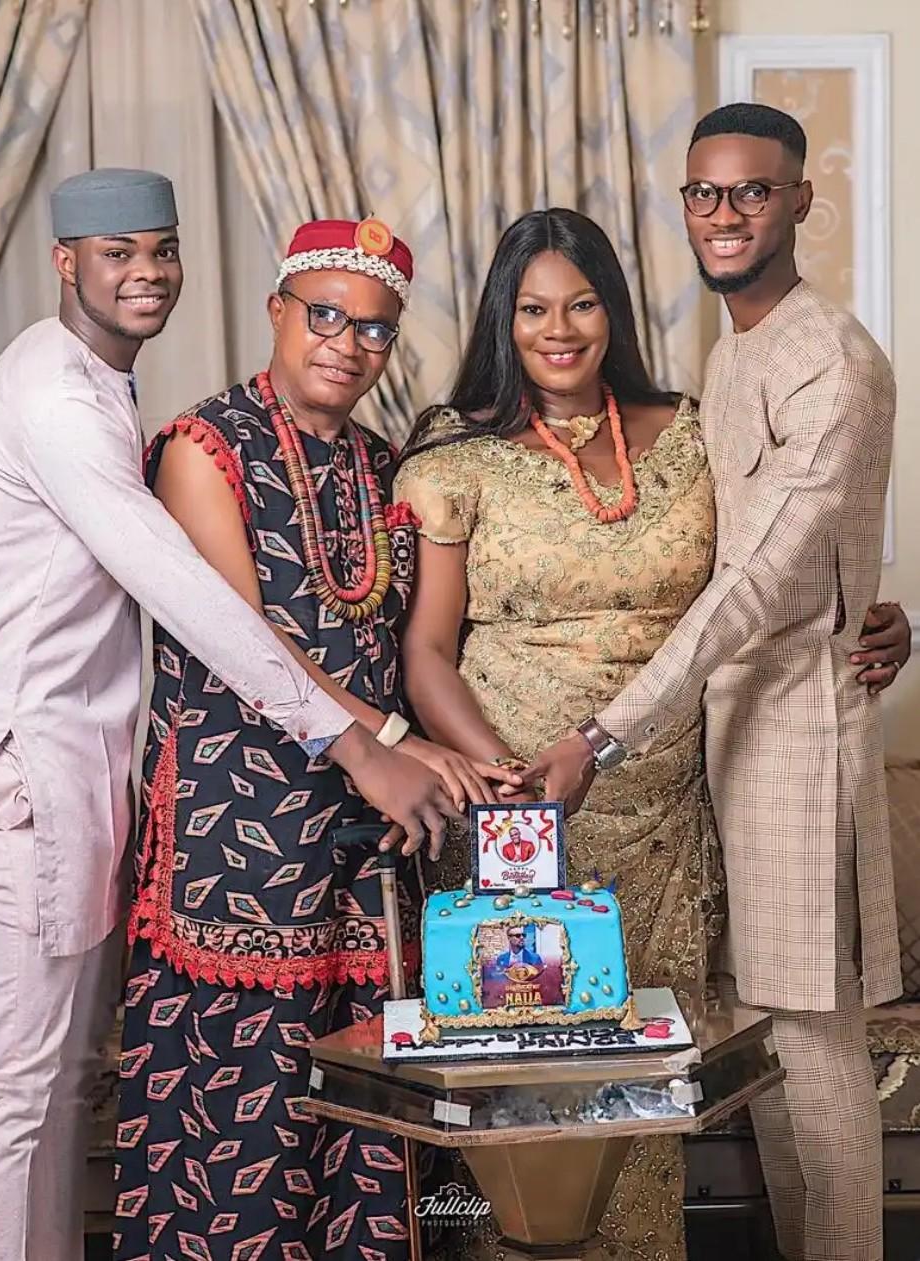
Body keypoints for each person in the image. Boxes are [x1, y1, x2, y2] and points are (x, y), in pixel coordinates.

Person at [0, 178, 463, 1261]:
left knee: (60, 1083)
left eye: (161, 250)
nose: (147, 273)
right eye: (117, 252)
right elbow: (198, 604)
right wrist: (366, 745)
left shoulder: (103, 385)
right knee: (17, 1088)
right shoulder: (65, 399)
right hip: (21, 777)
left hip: (79, 781)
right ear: (66, 261)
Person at [394, 203, 910, 1257]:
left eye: (582, 303)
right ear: (502, 319)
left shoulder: (690, 432)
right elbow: (428, 651)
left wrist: (867, 612)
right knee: (523, 1084)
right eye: (532, 308)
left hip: (673, 809)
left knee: (640, 1093)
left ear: (613, 312)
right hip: (515, 819)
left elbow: (774, 562)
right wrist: (502, 783)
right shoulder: (457, 455)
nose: (558, 329)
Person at [523, 105, 904, 1261]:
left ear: (799, 202)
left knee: (814, 1051)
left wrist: (600, 736)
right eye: (703, 193)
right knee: (761, 1046)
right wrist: (879, 607)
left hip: (795, 746)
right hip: (720, 748)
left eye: (751, 191)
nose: (723, 213)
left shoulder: (830, 361)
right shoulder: (733, 349)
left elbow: (752, 582)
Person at [111, 218, 519, 1261]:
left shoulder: (385, 466)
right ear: (277, 311)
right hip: (235, 835)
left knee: (366, 1105)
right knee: (238, 1112)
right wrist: (393, 741)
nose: (346, 343)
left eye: (373, 329)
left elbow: (412, 641)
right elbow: (246, 643)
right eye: (325, 315)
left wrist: (451, 754)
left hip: (367, 833)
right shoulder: (203, 447)